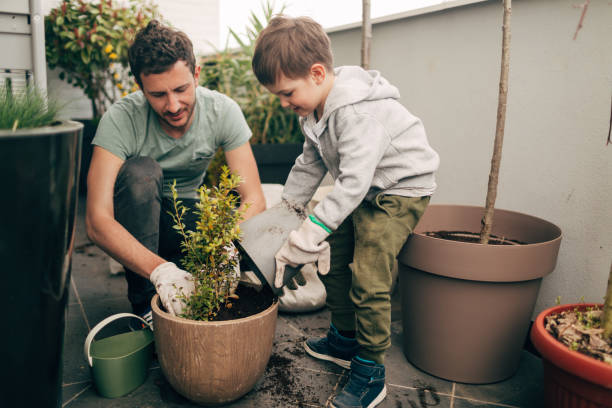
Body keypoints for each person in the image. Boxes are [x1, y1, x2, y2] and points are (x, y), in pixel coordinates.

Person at [252, 16, 439, 408]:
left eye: (287, 93)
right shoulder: (314, 111)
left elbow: (352, 183)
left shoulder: (356, 114)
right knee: (332, 258)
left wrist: (307, 233)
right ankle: (344, 339)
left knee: (368, 275)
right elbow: (309, 165)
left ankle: (371, 370)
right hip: (365, 189)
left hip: (398, 191)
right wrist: (289, 213)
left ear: (317, 73)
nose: (285, 104)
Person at [86, 20, 266, 325]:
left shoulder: (222, 111)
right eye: (157, 95)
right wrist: (161, 272)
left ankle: (200, 280)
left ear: (196, 75)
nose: (173, 105)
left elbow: (253, 197)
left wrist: (224, 245)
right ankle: (146, 306)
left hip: (185, 221)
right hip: (138, 225)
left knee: (268, 235)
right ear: (140, 87)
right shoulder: (120, 119)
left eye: (181, 89)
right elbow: (97, 220)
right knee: (141, 172)